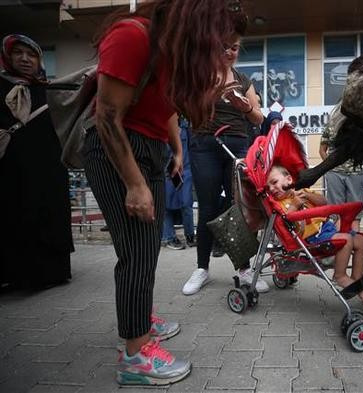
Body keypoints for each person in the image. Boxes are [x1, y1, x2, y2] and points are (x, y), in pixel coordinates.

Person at [84, 1, 248, 386]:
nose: (226, 50)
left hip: (151, 149)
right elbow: (107, 116)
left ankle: (139, 319)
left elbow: (168, 107)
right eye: (223, 41)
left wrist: (175, 150)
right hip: (117, 150)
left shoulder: (173, 52)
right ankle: (136, 355)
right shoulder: (132, 36)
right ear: (200, 25)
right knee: (138, 250)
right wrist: (135, 184)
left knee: (144, 249)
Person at [183, 24, 266, 296]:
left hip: (237, 146)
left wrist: (247, 108)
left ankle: (243, 269)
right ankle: (202, 268)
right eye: (224, 46)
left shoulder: (244, 80)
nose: (230, 52)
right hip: (205, 144)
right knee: (207, 207)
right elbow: (186, 109)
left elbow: (259, 118)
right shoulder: (200, 76)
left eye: (234, 47)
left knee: (239, 207)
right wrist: (214, 93)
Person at [0, 34, 73, 290]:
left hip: (48, 167)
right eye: (18, 53)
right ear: (7, 56)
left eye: (31, 54)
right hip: (10, 169)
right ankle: (15, 273)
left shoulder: (46, 89)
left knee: (47, 215)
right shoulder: (1, 86)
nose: (25, 59)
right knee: (14, 216)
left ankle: (51, 273)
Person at [267, 165, 363, 304]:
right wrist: (294, 205)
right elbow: (286, 220)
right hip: (314, 237)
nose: (272, 189)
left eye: (274, 182)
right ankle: (340, 276)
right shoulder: (280, 204)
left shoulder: (302, 191)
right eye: (269, 187)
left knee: (361, 241)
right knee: (346, 240)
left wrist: (308, 195)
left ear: (289, 179)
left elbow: (324, 202)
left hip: (328, 228)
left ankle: (357, 280)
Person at [319, 112, 363, 232]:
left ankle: (357, 239)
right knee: (336, 209)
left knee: (356, 207)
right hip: (335, 173)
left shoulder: (359, 126)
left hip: (355, 172)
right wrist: (330, 166)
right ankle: (339, 241)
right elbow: (322, 149)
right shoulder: (330, 126)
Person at [161, 116, 195, 250]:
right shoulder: (162, 123)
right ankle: (168, 237)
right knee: (166, 205)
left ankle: (190, 235)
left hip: (185, 169)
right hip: (167, 169)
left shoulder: (185, 124)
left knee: (186, 204)